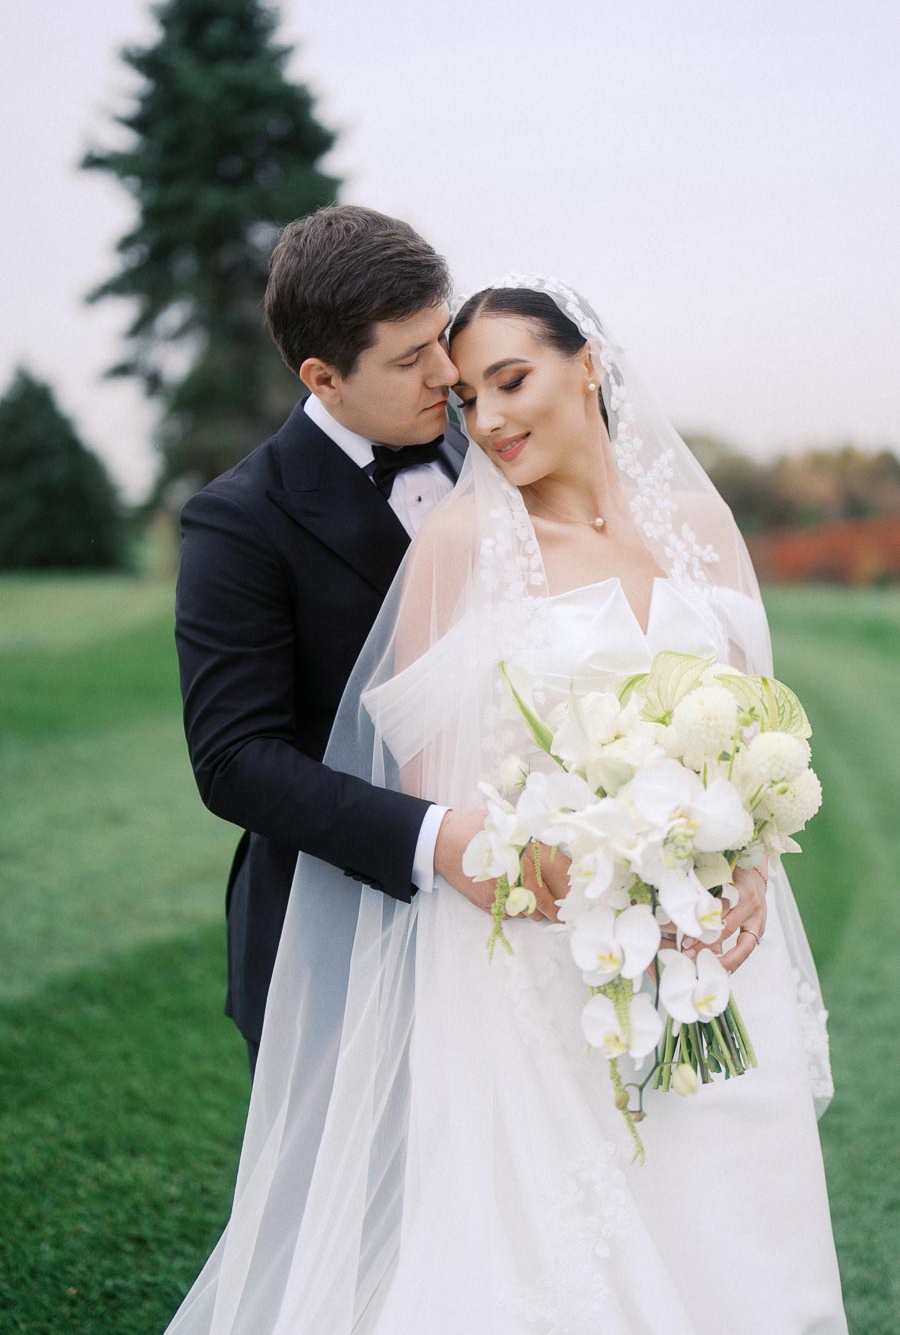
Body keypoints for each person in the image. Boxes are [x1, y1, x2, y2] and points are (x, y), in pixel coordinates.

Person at [165, 277, 846, 1333]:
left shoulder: (705, 524)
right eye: (471, 396)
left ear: (591, 363)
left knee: (735, 1238)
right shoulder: (465, 545)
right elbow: (449, 801)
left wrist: (745, 858)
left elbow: (757, 729)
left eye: (512, 380)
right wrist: (589, 876)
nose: (488, 418)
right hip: (551, 962)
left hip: (717, 953)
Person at [174, 209, 567, 1076]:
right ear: (323, 377)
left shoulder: (500, 448)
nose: (447, 373)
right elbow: (234, 759)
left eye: (442, 336)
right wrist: (439, 842)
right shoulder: (237, 522)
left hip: (539, 911)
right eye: (408, 358)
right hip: (339, 921)